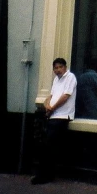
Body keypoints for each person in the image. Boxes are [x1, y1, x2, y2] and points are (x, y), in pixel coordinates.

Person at [31, 57, 77, 185]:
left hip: (62, 116)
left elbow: (65, 97)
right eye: (55, 68)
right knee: (46, 146)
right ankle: (45, 174)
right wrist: (47, 105)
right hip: (52, 116)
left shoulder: (70, 77)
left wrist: (52, 108)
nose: (57, 70)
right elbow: (51, 96)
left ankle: (44, 176)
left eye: (60, 67)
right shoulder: (56, 80)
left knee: (48, 146)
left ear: (65, 67)